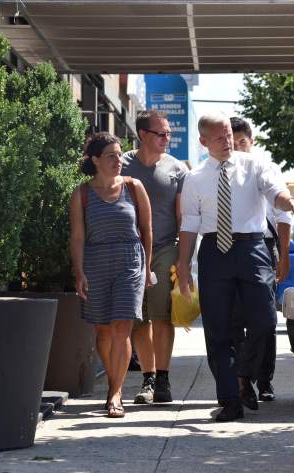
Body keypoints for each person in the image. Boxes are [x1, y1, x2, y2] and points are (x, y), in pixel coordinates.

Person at [177, 112, 294, 422]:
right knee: (218, 330)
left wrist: (288, 202)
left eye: (229, 135)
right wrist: (184, 267)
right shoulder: (195, 178)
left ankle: (243, 374)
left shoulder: (255, 165)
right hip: (214, 252)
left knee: (265, 320)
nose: (227, 142)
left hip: (252, 247)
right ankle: (230, 401)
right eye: (220, 137)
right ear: (203, 142)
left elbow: (274, 193)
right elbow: (189, 225)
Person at [69, 132, 153, 418]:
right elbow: (78, 237)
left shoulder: (134, 186)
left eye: (120, 154)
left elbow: (147, 232)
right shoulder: (81, 194)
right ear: (95, 160)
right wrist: (78, 271)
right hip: (95, 262)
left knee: (121, 329)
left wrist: (147, 267)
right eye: (111, 156)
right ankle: (113, 385)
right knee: (103, 331)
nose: (119, 160)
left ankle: (116, 393)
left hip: (130, 260)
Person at [121, 110, 188, 405]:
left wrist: (185, 260)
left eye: (169, 134)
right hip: (128, 251)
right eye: (161, 134)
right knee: (138, 320)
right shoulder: (121, 164)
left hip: (164, 249)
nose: (167, 139)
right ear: (143, 135)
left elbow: (183, 217)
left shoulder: (177, 169)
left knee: (161, 316)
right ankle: (147, 379)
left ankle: (163, 379)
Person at [230, 116, 292, 403]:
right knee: (234, 318)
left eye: (243, 142)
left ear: (252, 142)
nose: (238, 147)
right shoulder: (221, 173)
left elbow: (282, 216)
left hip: (264, 247)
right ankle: (242, 379)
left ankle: (264, 379)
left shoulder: (266, 169)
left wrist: (283, 258)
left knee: (264, 319)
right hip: (228, 249)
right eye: (232, 142)